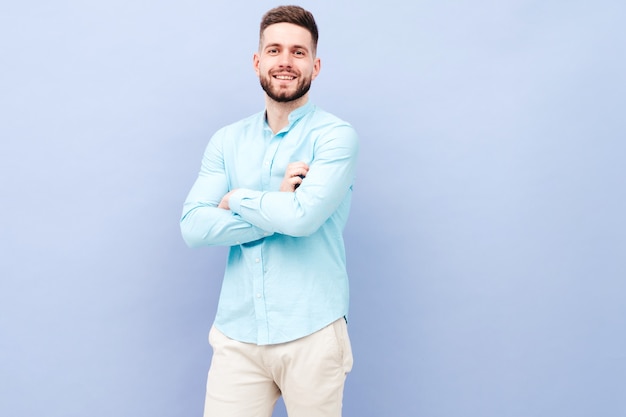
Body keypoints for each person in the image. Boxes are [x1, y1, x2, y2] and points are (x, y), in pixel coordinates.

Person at [180, 5, 358, 417]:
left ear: (315, 64)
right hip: (237, 336)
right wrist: (276, 201)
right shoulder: (227, 141)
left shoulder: (335, 137)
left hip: (312, 332)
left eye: (298, 52)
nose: (285, 61)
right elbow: (193, 226)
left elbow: (302, 219)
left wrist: (238, 197)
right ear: (257, 61)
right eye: (274, 50)